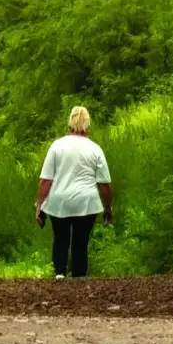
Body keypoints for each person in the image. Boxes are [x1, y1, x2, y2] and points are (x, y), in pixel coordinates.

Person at [35, 106, 112, 279]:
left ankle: (60, 273)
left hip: (59, 201)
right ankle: (79, 277)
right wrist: (108, 207)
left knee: (61, 238)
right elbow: (104, 184)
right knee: (81, 242)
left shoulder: (57, 146)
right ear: (88, 125)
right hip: (86, 202)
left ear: (69, 123)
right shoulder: (95, 149)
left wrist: (39, 204)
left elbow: (46, 180)